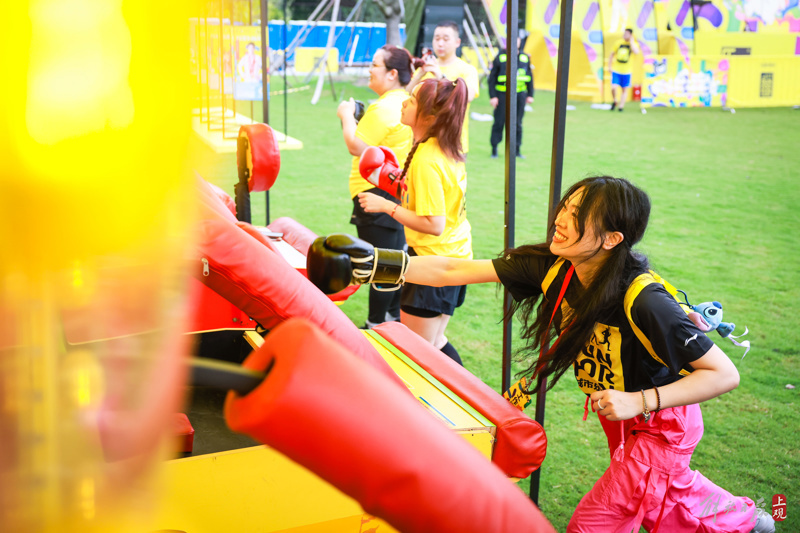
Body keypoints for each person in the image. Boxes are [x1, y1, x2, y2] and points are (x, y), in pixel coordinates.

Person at [310, 176, 775, 533]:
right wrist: (383, 263)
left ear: (612, 238)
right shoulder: (554, 266)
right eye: (567, 206)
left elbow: (722, 373)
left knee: (596, 521)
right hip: (623, 416)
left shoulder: (645, 299)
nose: (561, 218)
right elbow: (454, 267)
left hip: (661, 424)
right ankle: (745, 519)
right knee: (665, 491)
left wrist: (640, 402)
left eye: (579, 214)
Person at [356, 77, 471, 365]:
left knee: (416, 357)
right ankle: (470, 402)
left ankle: (453, 405)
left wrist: (386, 205)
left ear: (430, 117)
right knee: (435, 344)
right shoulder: (439, 147)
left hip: (435, 265)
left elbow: (434, 223)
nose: (404, 102)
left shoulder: (428, 159)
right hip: (453, 258)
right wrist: (395, 182)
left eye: (413, 100)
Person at [336, 45, 415, 329]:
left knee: (383, 263)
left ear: (392, 73)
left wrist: (346, 115)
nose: (369, 69)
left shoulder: (385, 106)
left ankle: (376, 326)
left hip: (377, 193)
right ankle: (391, 319)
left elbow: (355, 145)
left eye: (374, 64)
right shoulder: (403, 101)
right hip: (391, 191)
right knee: (394, 259)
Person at [407, 21, 479, 155]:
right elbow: (405, 94)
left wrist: (441, 77)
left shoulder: (467, 70)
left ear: (457, 42)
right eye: (437, 38)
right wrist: (420, 74)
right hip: (420, 138)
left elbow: (467, 96)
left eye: (446, 39)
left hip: (451, 141)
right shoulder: (427, 68)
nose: (440, 43)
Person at [488, 37, 534, 159]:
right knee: (499, 122)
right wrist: (493, 96)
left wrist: (530, 94)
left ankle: (517, 150)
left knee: (517, 123)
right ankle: (494, 149)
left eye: (517, 40)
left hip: (519, 95)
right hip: (502, 95)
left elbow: (529, 76)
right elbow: (492, 78)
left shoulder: (525, 57)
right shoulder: (501, 57)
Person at [608, 28, 639, 111]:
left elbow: (636, 52)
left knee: (624, 89)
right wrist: (609, 66)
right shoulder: (618, 43)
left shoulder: (633, 44)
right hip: (616, 69)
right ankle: (615, 100)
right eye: (624, 33)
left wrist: (631, 42)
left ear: (631, 35)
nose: (625, 35)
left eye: (627, 34)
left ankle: (621, 107)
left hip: (627, 71)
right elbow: (612, 54)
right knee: (613, 87)